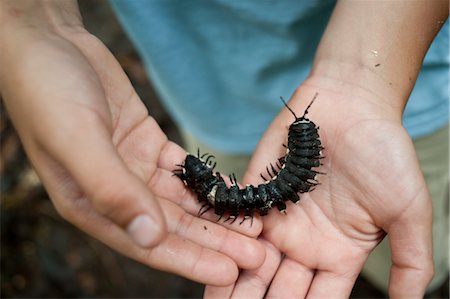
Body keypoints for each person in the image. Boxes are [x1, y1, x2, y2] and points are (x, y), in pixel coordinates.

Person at [1, 0, 448, 298]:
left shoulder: (288, 175)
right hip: (209, 105)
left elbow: (284, 185)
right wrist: (33, 19)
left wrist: (365, 76)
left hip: (415, 84)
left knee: (378, 235)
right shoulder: (276, 178)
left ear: (302, 151)